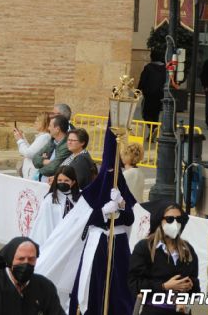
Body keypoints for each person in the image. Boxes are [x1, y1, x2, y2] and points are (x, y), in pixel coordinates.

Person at [36, 121, 136, 314]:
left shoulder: (122, 191)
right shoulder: (91, 195)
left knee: (119, 282)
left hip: (119, 243)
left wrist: (122, 207)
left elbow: (130, 219)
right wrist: (104, 212)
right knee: (94, 282)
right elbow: (86, 221)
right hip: (98, 244)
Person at [128, 200, 199, 315]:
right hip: (154, 311)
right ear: (160, 220)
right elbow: (134, 284)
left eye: (179, 219)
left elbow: (195, 285)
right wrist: (164, 286)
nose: (175, 223)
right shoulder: (145, 248)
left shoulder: (187, 249)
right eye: (170, 219)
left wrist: (189, 286)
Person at [0, 237, 65, 315]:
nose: (26, 263)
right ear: (10, 259)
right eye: (21, 259)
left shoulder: (45, 286)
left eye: (31, 259)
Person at [29, 166, 80, 246]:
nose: (62, 182)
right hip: (54, 241)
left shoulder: (79, 199)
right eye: (59, 180)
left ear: (73, 182)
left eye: (66, 180)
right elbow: (44, 226)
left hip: (72, 241)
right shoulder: (50, 200)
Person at [31, 115, 70, 182]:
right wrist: (44, 161)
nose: (48, 128)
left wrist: (40, 168)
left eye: (50, 126)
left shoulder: (66, 146)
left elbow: (53, 168)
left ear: (57, 129)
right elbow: (35, 158)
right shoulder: (52, 141)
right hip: (43, 181)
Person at [13, 112, 51, 179]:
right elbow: (30, 150)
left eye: (37, 121)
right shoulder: (41, 136)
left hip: (32, 174)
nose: (35, 123)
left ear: (44, 123)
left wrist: (19, 140)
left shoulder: (44, 137)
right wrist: (22, 138)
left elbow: (28, 153)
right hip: (30, 173)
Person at [138, 50, 166, 123]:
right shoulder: (165, 68)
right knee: (155, 114)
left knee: (146, 114)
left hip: (149, 96)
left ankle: (153, 129)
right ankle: (153, 129)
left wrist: (138, 90)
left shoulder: (148, 68)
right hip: (160, 95)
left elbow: (142, 81)